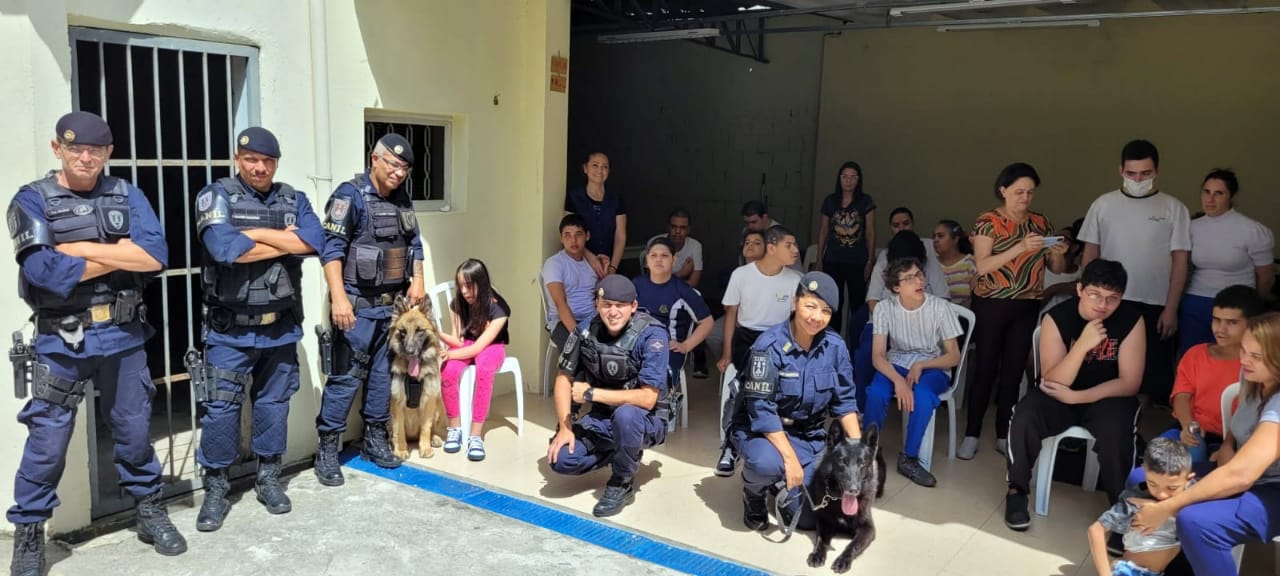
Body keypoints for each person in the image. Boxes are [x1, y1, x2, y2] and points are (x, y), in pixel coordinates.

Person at [6, 112, 186, 573]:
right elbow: (43, 272)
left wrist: (79, 249)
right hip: (60, 341)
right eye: (75, 149)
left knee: (134, 430)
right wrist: (121, 253)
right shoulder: (31, 199)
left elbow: (156, 256)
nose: (85, 158)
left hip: (123, 335)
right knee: (47, 440)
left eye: (95, 150)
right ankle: (29, 533)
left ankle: (149, 510)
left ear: (108, 153)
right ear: (57, 149)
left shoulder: (127, 194)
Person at [191, 127, 325, 531]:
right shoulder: (216, 195)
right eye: (251, 160)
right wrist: (285, 241)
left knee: (273, 405)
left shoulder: (293, 199)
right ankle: (217, 488)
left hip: (280, 328)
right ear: (238, 159)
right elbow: (224, 249)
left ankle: (269, 479)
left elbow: (316, 241)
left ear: (276, 163)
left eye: (268, 161)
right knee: (221, 410)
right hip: (229, 331)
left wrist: (255, 235)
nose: (260, 167)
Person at [313, 133, 426, 486]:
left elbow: (414, 244)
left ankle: (374, 440)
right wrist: (338, 298)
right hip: (356, 309)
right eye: (393, 164)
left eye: (404, 168)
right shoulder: (350, 196)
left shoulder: (402, 199)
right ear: (375, 159)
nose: (398, 173)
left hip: (391, 310)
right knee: (346, 377)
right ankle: (327, 449)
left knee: (382, 377)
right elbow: (331, 250)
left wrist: (419, 279)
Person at [1130, 312, 1280, 575]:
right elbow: (1241, 420)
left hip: (1271, 489)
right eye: (1244, 351)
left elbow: (1241, 475)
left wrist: (1167, 507)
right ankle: (1169, 567)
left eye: (1256, 356)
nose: (1244, 360)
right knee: (1142, 479)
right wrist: (1227, 445)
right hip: (1242, 471)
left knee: (1196, 521)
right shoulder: (1253, 377)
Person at [1004, 259, 1145, 532]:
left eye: (1112, 298)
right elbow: (1054, 380)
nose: (1103, 305)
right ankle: (1016, 490)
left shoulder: (1131, 320)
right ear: (1080, 289)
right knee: (1025, 414)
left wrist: (1077, 397)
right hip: (1058, 393)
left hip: (1106, 397)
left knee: (1118, 428)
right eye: (1095, 295)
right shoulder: (1057, 317)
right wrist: (1081, 346)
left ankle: (1121, 509)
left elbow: (1130, 382)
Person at [726, 272, 863, 531]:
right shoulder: (768, 345)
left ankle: (780, 485)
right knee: (765, 464)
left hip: (808, 436)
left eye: (825, 311)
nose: (816, 317)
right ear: (795, 302)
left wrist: (857, 450)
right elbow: (762, 411)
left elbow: (845, 402)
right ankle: (754, 495)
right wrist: (790, 459)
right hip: (764, 433)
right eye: (810, 306)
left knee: (809, 520)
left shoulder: (835, 347)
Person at [961, 162, 1068, 460]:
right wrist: (1020, 247)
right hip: (992, 302)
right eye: (1019, 191)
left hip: (1027, 303)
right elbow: (982, 266)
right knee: (986, 368)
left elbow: (1056, 268)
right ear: (1003, 190)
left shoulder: (1041, 222)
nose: (1025, 197)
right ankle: (971, 433)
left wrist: (1059, 254)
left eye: (1030, 192)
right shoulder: (988, 221)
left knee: (1013, 370)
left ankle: (1002, 433)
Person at [546, 275, 672, 517]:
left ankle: (622, 482)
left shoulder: (652, 335)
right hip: (603, 418)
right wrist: (565, 427)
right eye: (607, 305)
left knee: (626, 415)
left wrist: (591, 393)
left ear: (633, 306)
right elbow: (563, 377)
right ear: (597, 305)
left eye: (620, 305)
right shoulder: (585, 329)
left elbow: (648, 398)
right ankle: (622, 451)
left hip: (645, 420)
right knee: (560, 460)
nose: (613, 312)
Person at [1079, 140, 1191, 404]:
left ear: (1156, 171)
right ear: (1120, 170)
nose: (1138, 179)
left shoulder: (1174, 208)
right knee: (1103, 364)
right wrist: (1086, 297)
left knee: (1147, 372)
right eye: (1131, 173)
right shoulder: (1103, 205)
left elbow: (1180, 262)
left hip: (1154, 303)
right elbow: (1090, 254)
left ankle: (1136, 420)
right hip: (1108, 301)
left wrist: (1171, 308)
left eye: (1145, 173)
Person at [865, 258, 963, 487]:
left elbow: (954, 356)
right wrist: (898, 380)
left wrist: (921, 365)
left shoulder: (940, 307)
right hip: (896, 363)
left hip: (932, 364)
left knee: (923, 395)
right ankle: (867, 452)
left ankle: (909, 458)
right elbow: (878, 356)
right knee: (876, 393)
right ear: (896, 287)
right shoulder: (884, 308)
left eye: (919, 275)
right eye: (909, 278)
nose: (918, 281)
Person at [1179, 169, 1274, 356]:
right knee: (1192, 355)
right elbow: (1183, 267)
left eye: (1219, 193)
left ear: (1231, 196)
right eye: (1206, 192)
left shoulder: (1253, 231)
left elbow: (1265, 276)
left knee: (1231, 356)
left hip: (1236, 305)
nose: (1210, 199)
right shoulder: (1191, 227)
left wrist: (1253, 305)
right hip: (1195, 302)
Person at [1087, 438, 1194, 576]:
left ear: (1188, 479)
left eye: (1172, 488)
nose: (1161, 494)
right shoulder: (1136, 501)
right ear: (1144, 470)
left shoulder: (1191, 492)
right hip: (1131, 571)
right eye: (1153, 484)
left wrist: (1160, 508)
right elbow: (1095, 530)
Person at [439, 259, 510, 462]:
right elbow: (459, 341)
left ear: (482, 282)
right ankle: (454, 428)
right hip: (469, 343)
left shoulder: (499, 309)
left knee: (484, 369)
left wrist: (450, 354)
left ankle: (475, 436)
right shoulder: (457, 304)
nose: (464, 291)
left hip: (492, 345)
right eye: (460, 286)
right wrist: (435, 333)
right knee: (448, 371)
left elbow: (479, 348)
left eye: (469, 285)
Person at [718, 225, 803, 376]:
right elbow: (731, 314)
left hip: (780, 338)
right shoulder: (741, 275)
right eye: (788, 245)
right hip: (746, 338)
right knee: (749, 378)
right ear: (771, 249)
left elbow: (797, 321)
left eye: (795, 245)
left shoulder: (796, 280)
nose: (795, 250)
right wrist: (726, 354)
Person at [633, 237, 713, 376]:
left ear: (673, 260)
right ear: (647, 260)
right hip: (637, 344)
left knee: (653, 378)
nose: (658, 260)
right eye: (653, 255)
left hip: (667, 348)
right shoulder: (635, 285)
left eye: (664, 256)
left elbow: (707, 322)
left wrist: (686, 345)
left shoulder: (682, 290)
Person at [816, 161, 876, 333]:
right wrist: (819, 258)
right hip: (833, 259)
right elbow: (823, 230)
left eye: (853, 177)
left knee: (857, 303)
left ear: (858, 180)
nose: (848, 181)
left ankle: (856, 342)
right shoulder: (830, 201)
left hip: (857, 261)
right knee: (833, 302)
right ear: (839, 179)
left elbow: (870, 232)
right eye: (845, 177)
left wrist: (870, 261)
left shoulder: (865, 201)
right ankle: (833, 340)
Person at [707, 230, 766, 372]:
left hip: (759, 326)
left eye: (757, 243)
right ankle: (728, 368)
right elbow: (729, 309)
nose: (750, 245)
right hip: (736, 319)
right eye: (747, 243)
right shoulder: (739, 273)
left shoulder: (769, 274)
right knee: (713, 336)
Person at [564, 151, 624, 277]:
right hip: (579, 262)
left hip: (609, 264)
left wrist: (612, 267)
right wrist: (590, 257)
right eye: (595, 165)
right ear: (585, 168)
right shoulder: (574, 197)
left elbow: (620, 235)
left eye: (605, 167)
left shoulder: (616, 198)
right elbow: (568, 232)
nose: (600, 170)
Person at [543, 214, 599, 337]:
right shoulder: (554, 263)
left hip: (592, 319)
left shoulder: (592, 263)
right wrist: (578, 336)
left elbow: (604, 294)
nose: (573, 240)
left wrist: (605, 268)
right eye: (567, 235)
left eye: (578, 234)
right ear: (561, 238)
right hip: (562, 321)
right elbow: (560, 303)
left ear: (587, 236)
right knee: (579, 347)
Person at [642, 208, 703, 289]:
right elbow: (652, 280)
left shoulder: (695, 246)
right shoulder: (655, 243)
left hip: (683, 293)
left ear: (688, 230)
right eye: (674, 227)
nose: (678, 231)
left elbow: (693, 283)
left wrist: (667, 280)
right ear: (668, 228)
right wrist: (681, 274)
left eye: (683, 228)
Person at [933, 219, 976, 308]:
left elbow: (976, 296)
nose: (935, 240)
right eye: (934, 236)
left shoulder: (970, 262)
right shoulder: (932, 264)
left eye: (940, 236)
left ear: (955, 239)